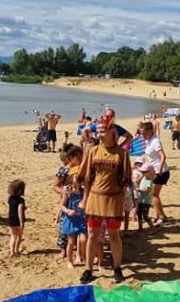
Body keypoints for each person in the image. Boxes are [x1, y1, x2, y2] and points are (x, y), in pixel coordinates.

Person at [78, 122, 132, 284]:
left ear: (111, 132)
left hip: (114, 198)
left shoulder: (122, 153)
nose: (99, 135)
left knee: (114, 235)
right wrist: (84, 199)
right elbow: (87, 179)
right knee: (92, 234)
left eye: (102, 131)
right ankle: (88, 269)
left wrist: (123, 202)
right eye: (98, 132)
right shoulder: (93, 151)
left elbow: (125, 181)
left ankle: (117, 268)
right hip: (95, 198)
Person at [59, 150, 87, 269]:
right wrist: (67, 211)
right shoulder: (68, 191)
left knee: (83, 239)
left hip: (82, 219)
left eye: (79, 177)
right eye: (75, 177)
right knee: (70, 242)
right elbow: (61, 205)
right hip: (71, 219)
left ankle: (82, 256)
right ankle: (70, 261)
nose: (77, 179)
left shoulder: (84, 191)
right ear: (70, 178)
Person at [140, 121, 170, 226]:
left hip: (161, 172)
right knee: (154, 195)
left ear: (150, 131)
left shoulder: (155, 141)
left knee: (153, 195)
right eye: (141, 133)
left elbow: (163, 156)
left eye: (143, 133)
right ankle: (160, 216)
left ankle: (162, 217)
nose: (142, 135)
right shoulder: (148, 140)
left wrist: (160, 168)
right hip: (155, 171)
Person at [7, 179, 26, 257]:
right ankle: (16, 250)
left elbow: (12, 207)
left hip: (11, 220)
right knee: (19, 236)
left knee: (13, 236)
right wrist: (21, 222)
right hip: (17, 221)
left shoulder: (10, 198)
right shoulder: (21, 200)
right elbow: (19, 211)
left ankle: (12, 251)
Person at [137, 163, 156, 231]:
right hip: (141, 200)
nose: (142, 173)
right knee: (139, 214)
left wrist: (139, 190)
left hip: (146, 202)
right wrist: (142, 176)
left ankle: (153, 228)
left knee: (145, 216)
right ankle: (140, 228)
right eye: (142, 171)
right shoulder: (144, 178)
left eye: (144, 172)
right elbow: (136, 181)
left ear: (150, 172)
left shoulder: (149, 181)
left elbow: (146, 191)